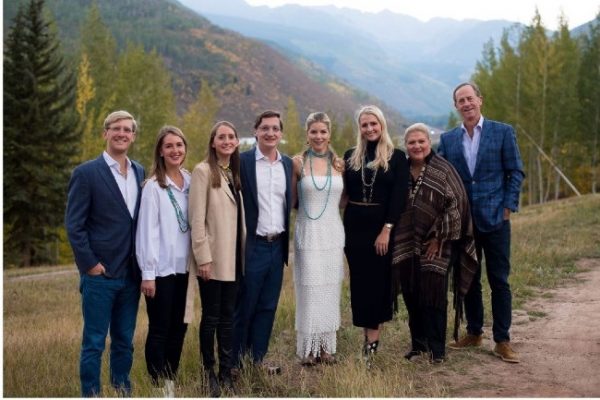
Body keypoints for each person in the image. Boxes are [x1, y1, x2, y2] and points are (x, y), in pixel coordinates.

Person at [438, 82, 525, 363]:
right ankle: (474, 332)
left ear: (480, 100)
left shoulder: (502, 132)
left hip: (497, 220)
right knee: (469, 280)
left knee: (499, 280)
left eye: (470, 98)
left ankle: (502, 340)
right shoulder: (449, 139)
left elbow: (516, 172)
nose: (466, 104)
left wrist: (508, 207)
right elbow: (438, 174)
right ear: (456, 106)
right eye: (460, 100)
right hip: (464, 224)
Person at [65, 110, 145, 397]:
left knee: (125, 340)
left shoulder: (140, 172)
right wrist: (90, 265)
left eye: (127, 129)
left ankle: (122, 389)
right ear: (105, 133)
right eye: (116, 128)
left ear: (133, 136)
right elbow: (74, 225)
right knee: (94, 342)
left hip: (131, 274)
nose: (122, 133)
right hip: (100, 275)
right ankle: (91, 393)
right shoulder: (86, 173)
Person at [391, 123, 478, 364]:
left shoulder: (443, 169)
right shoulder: (401, 170)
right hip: (406, 241)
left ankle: (437, 350)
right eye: (412, 142)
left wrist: (438, 236)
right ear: (405, 146)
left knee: (433, 295)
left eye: (421, 141)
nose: (417, 146)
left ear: (429, 143)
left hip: (438, 244)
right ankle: (418, 345)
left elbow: (457, 204)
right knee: (411, 293)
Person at [342, 105, 409, 366]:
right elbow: (342, 192)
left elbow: (398, 198)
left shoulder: (397, 157)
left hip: (381, 228)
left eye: (374, 124)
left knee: (377, 285)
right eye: (364, 124)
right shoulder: (350, 156)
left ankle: (372, 345)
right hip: (354, 228)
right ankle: (365, 340)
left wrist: (387, 229)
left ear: (382, 125)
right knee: (360, 285)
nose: (369, 128)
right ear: (359, 128)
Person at [185, 121, 246, 396]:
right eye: (221, 137)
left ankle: (226, 372)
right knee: (211, 317)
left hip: (234, 257)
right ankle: (208, 371)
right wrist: (203, 258)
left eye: (231, 137)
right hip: (213, 256)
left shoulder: (234, 171)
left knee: (228, 318)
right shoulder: (202, 171)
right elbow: (196, 220)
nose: (227, 140)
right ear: (213, 142)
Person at [233, 110, 293, 374]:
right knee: (245, 305)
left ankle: (256, 361)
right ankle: (235, 362)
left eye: (275, 129)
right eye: (265, 128)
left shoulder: (288, 164)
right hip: (253, 245)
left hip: (277, 246)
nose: (270, 133)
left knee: (268, 306)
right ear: (256, 131)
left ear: (281, 133)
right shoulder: (242, 161)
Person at [135, 126, 190, 396]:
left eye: (179, 145)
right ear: (160, 150)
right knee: (160, 328)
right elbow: (146, 233)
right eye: (169, 146)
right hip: (161, 270)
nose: (175, 150)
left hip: (186, 270)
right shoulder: (153, 187)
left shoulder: (190, 182)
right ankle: (157, 385)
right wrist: (148, 273)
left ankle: (170, 381)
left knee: (180, 326)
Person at [291, 112, 345, 366]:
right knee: (310, 290)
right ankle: (309, 350)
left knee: (330, 289)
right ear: (307, 133)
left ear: (329, 134)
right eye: (314, 131)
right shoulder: (298, 163)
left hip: (333, 232)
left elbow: (344, 199)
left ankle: (326, 347)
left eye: (323, 131)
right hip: (309, 232)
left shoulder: (339, 164)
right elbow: (291, 201)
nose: (319, 136)